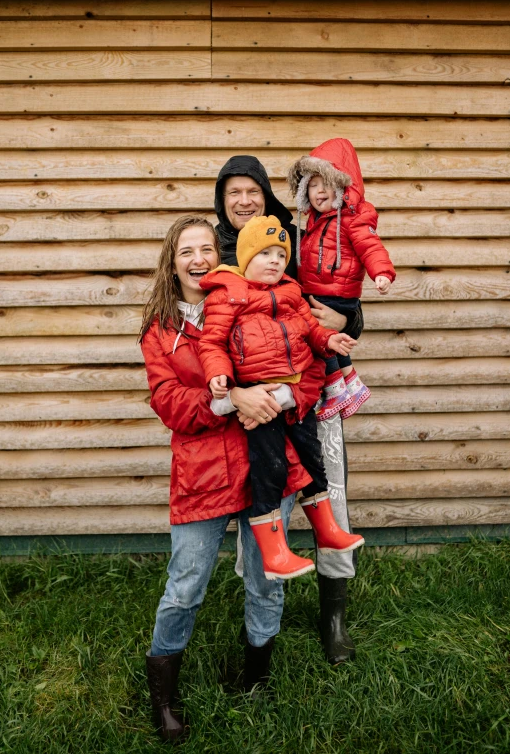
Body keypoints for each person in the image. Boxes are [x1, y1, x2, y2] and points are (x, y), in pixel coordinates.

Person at [139, 215, 313, 740]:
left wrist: (281, 395)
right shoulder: (161, 332)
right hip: (204, 474)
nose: (198, 259)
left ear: (222, 256)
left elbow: (303, 371)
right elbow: (169, 402)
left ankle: (256, 678)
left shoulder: (253, 300)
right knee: (186, 584)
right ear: (172, 264)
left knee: (266, 580)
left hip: (265, 468)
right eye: (186, 251)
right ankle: (164, 695)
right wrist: (230, 397)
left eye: (207, 249)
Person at [214, 156, 365, 666]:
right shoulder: (213, 250)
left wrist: (342, 318)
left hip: (311, 394)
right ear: (222, 199)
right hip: (248, 405)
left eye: (252, 190)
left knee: (329, 492)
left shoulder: (294, 243)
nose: (244, 200)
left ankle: (334, 616)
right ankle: (263, 625)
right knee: (266, 494)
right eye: (233, 192)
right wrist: (234, 394)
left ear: (266, 194)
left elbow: (341, 299)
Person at [198, 214, 365, 581]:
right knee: (270, 469)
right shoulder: (227, 295)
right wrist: (218, 374)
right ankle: (273, 553)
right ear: (245, 259)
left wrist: (328, 340)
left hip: (298, 394)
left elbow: (310, 329)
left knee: (313, 460)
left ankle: (328, 532)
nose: (274, 260)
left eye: (280, 254)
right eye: (265, 253)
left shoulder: (292, 292)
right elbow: (211, 342)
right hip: (261, 398)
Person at [288, 138, 396, 420]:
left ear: (342, 186)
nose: (319, 191)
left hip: (338, 297)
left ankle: (337, 389)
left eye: (327, 182)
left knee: (321, 338)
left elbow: (371, 247)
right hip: (321, 292)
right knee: (323, 336)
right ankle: (351, 382)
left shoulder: (353, 218)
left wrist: (382, 273)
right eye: (312, 184)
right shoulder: (314, 221)